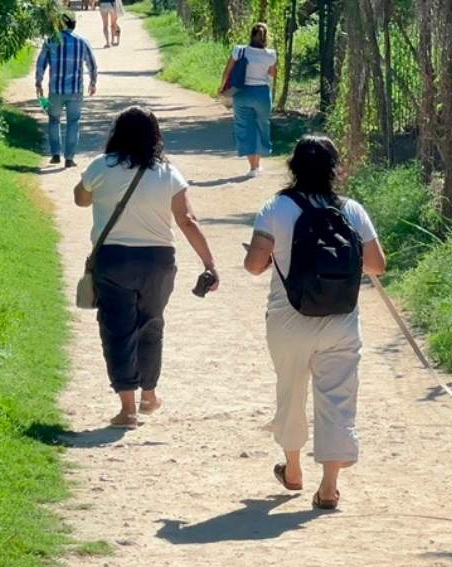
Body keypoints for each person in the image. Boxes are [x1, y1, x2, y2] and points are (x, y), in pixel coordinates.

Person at [242, 136, 387, 510]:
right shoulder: (351, 210)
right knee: (337, 399)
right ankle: (328, 486)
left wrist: (270, 252)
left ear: (293, 167)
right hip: (341, 320)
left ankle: (292, 469)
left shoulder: (275, 208)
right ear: (334, 169)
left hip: (289, 319)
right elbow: (377, 265)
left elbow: (255, 266)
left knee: (291, 391)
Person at [75, 106, 219, 428]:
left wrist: (97, 187)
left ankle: (127, 408)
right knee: (151, 324)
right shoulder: (168, 172)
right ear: (156, 136)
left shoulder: (102, 165)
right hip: (158, 262)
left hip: (113, 260)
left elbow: (80, 199)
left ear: (117, 133)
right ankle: (149, 395)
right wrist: (209, 263)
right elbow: (187, 220)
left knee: (117, 329)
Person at [36, 13, 99, 168]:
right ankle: (69, 158)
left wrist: (38, 82)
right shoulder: (82, 42)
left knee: (54, 120)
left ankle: (56, 154)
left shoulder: (50, 41)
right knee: (73, 122)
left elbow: (41, 63)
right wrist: (93, 82)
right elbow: (92, 64)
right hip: (75, 90)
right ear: (73, 25)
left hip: (55, 90)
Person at [218, 23, 278, 177]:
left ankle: (253, 167)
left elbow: (227, 71)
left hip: (242, 93)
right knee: (261, 126)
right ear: (266, 37)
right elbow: (272, 75)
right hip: (262, 94)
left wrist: (222, 87)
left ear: (251, 35)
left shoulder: (239, 51)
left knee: (245, 128)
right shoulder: (271, 54)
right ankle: (258, 164)